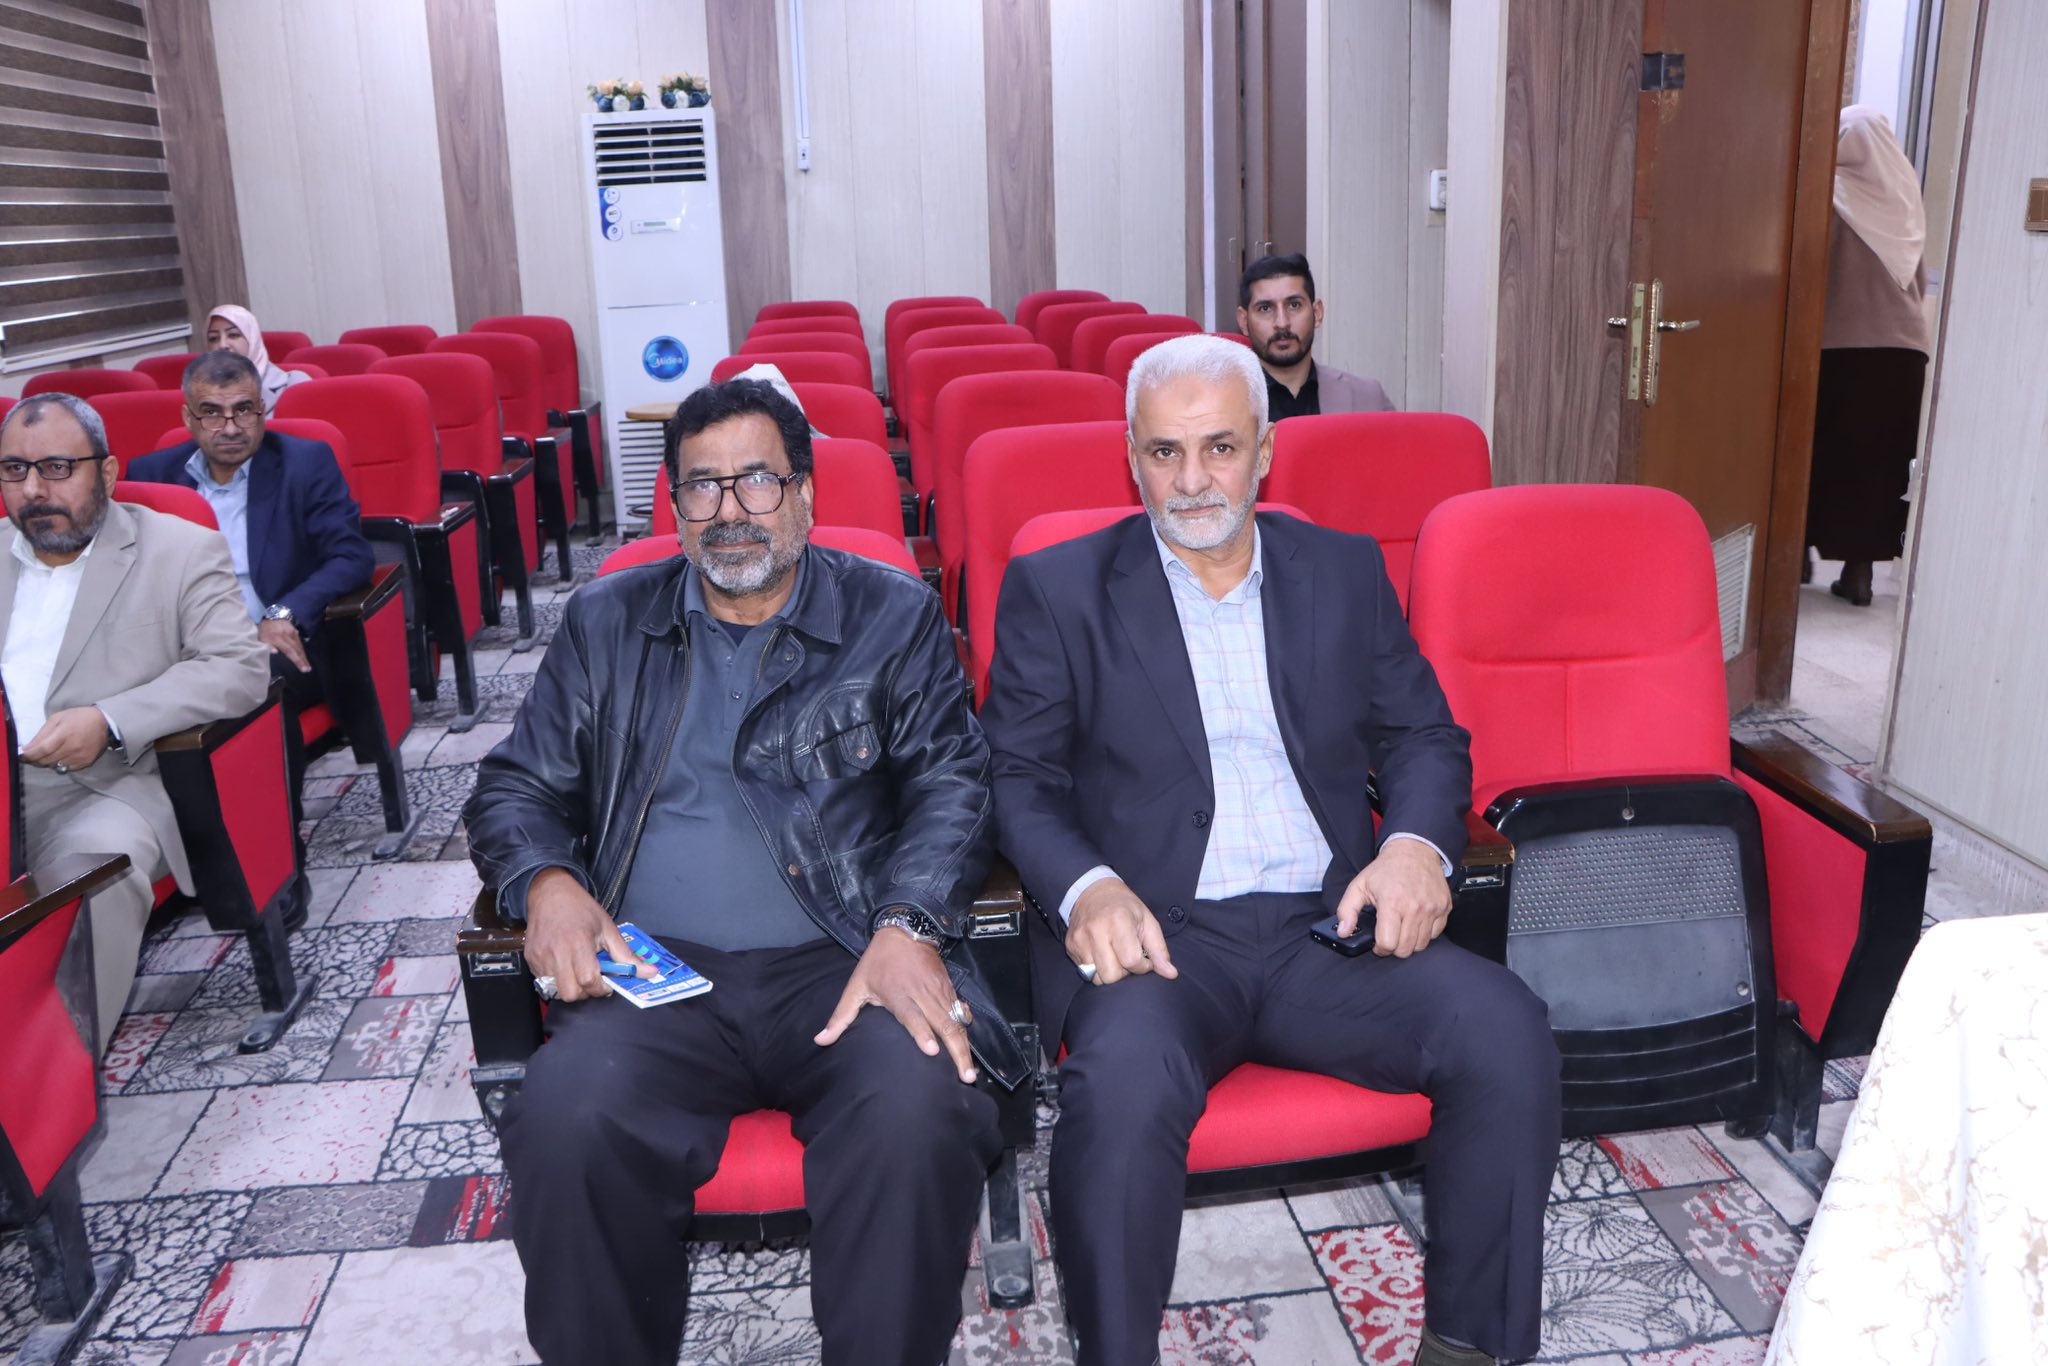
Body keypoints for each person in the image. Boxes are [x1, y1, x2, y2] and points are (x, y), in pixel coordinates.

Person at [979, 335, 1561, 1366]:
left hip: (1323, 931)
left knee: (1506, 1030)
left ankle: (1470, 1349)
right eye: (1164, 452)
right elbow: (1016, 777)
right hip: (1161, 942)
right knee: (1120, 1090)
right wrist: (1087, 888)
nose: (1192, 480)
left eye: (1219, 447)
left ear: (1265, 452)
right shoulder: (1058, 588)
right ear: (1130, 455)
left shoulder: (1339, 570)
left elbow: (1422, 735)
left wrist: (1413, 848)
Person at [463, 378, 1024, 1366]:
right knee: (563, 1119)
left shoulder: (889, 614)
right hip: (655, 975)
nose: (730, 509)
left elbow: (954, 783)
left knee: (916, 1112)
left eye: (757, 480)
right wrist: (547, 882)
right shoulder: (606, 622)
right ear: (674, 504)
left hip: (845, 957)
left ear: (804, 493)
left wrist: (907, 924)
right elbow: (514, 786)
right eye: (702, 485)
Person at [0, 395, 270, 1047]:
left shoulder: (179, 549)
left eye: (57, 468)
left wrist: (111, 718)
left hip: (104, 789)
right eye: (13, 470)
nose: (33, 490)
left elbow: (239, 666)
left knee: (100, 878)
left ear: (108, 472)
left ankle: (50, 1075)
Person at [126, 351, 374, 720]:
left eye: (243, 410)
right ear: (188, 418)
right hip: (184, 646)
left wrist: (283, 612)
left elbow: (352, 556)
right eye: (212, 413)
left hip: (269, 642)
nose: (230, 428)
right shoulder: (152, 475)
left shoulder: (305, 464)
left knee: (235, 687)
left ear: (261, 410)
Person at [1803, 106, 1934, 607]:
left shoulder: (1829, 192)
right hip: (1904, 354)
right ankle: (1859, 574)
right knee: (1881, 466)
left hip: (1839, 348)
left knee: (1814, 453)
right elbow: (1917, 279)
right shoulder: (1904, 199)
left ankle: (1795, 555)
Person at [1236, 252, 1395, 418]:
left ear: (1317, 313)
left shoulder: (1367, 397)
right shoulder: (1223, 401)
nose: (1282, 323)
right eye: (1265, 309)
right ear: (1244, 321)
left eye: (1294, 305)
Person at [204, 304, 311, 413]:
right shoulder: (200, 390)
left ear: (252, 339)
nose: (222, 345)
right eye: (213, 338)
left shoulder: (293, 383)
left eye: (233, 335)